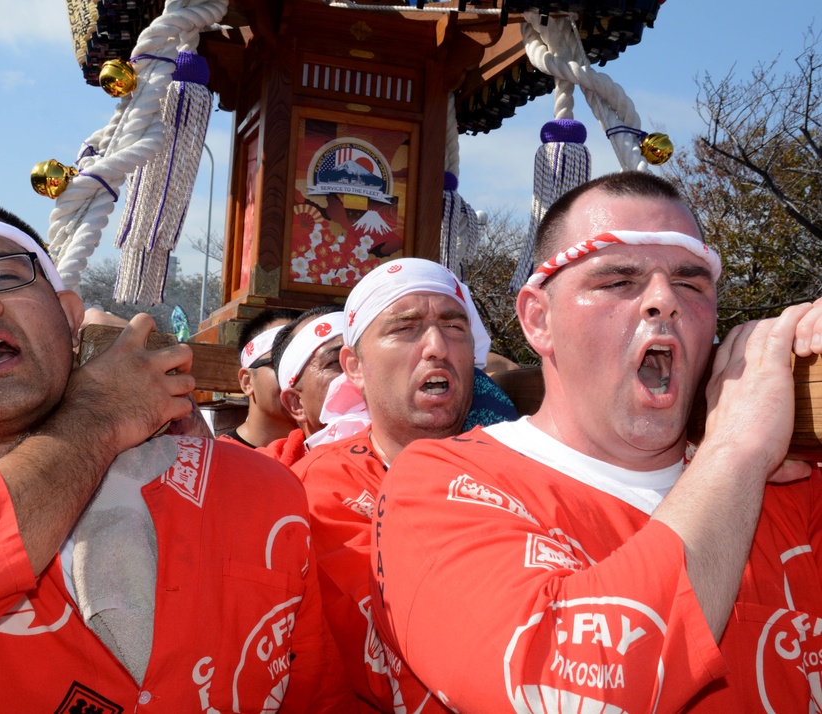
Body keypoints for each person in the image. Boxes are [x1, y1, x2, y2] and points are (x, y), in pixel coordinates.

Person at [0, 195, 355, 712]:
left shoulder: (257, 489)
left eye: (7, 275)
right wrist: (96, 419)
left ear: (70, 316)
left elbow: (317, 697)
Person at [370, 171, 822, 712]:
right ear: (539, 320)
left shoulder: (790, 484)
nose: (663, 300)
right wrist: (737, 451)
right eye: (617, 281)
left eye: (691, 282)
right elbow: (575, 695)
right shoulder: (441, 483)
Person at [292, 258, 516, 713]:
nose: (437, 346)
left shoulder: (524, 476)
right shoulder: (311, 493)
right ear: (354, 367)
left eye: (455, 326)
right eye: (406, 327)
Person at [261, 305, 346, 466]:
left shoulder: (406, 458)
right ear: (296, 403)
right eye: (336, 362)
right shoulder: (264, 473)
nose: (358, 372)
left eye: (365, 358)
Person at [219, 308, 298, 448]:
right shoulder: (219, 459)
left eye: (306, 363)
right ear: (247, 381)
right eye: (280, 363)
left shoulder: (327, 455)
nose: (296, 375)